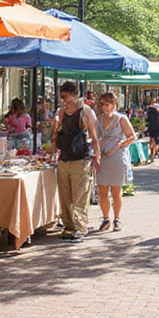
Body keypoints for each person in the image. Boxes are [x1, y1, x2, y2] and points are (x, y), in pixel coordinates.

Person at [50, 82, 100, 243]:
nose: (66, 101)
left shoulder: (85, 111)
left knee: (79, 195)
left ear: (74, 95)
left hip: (81, 159)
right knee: (65, 196)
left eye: (68, 97)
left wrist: (97, 156)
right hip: (64, 158)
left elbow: (94, 135)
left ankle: (80, 228)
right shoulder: (61, 112)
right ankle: (69, 226)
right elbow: (56, 135)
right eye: (63, 97)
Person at [93, 92, 137, 232]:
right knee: (102, 190)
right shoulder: (98, 120)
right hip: (103, 157)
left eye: (107, 104)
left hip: (117, 157)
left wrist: (120, 144)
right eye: (102, 104)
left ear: (113, 104)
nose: (104, 107)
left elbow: (133, 137)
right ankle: (105, 218)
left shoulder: (121, 119)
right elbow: (94, 137)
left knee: (116, 191)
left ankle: (117, 218)